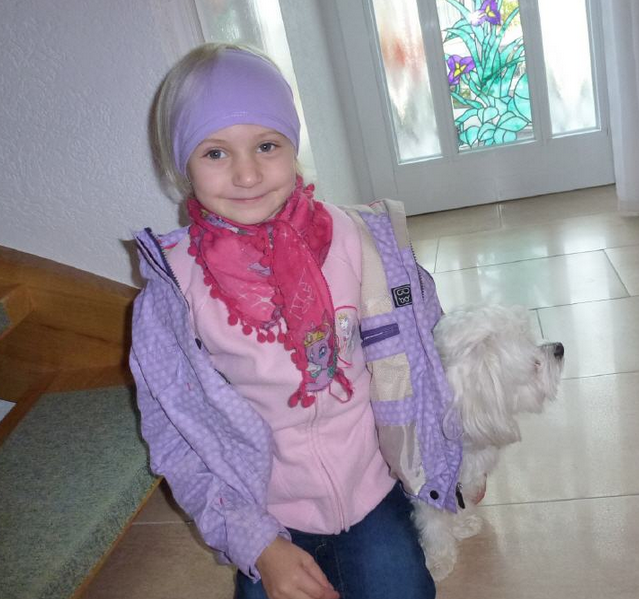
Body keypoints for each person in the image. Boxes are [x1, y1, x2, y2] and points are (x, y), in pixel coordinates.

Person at [131, 42, 462, 599]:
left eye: (266, 145)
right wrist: (256, 542)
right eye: (215, 153)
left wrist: (455, 456)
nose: (246, 174)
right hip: (264, 514)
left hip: (371, 487)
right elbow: (177, 436)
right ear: (182, 165)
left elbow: (429, 353)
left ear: (293, 146)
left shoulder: (362, 243)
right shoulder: (173, 292)